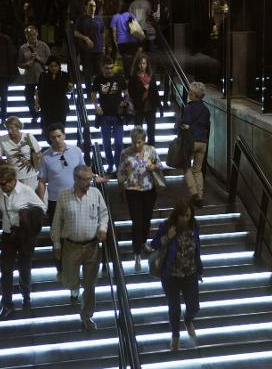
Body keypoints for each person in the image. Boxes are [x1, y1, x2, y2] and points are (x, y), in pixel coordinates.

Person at [51, 165, 108, 332]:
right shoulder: (63, 196)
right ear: (76, 179)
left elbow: (103, 214)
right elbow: (56, 222)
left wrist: (103, 229)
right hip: (71, 246)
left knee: (90, 284)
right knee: (70, 280)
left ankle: (87, 315)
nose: (89, 182)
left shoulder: (96, 194)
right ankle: (74, 289)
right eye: (86, 179)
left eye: (91, 179)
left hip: (92, 246)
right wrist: (56, 244)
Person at [0, 164, 47, 320]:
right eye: (1, 183)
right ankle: (7, 303)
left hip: (24, 235)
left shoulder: (26, 191)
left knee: (24, 268)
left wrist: (25, 214)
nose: (5, 186)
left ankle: (26, 299)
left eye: (8, 182)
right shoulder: (0, 193)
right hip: (8, 234)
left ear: (14, 179)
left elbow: (42, 208)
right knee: (6, 270)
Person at [150, 199, 203, 351]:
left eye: (188, 216)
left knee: (194, 306)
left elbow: (197, 248)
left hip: (190, 273)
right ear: (176, 215)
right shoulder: (167, 226)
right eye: (183, 216)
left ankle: (188, 320)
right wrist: (168, 236)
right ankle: (175, 337)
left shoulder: (194, 226)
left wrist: (199, 269)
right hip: (170, 275)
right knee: (174, 308)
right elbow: (153, 244)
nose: (186, 219)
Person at [117, 127, 162, 272]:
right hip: (132, 191)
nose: (136, 146)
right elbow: (121, 171)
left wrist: (153, 166)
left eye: (139, 142)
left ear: (144, 140)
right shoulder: (125, 153)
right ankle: (137, 252)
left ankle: (143, 242)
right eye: (134, 142)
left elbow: (160, 166)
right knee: (137, 221)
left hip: (149, 189)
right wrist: (122, 182)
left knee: (147, 219)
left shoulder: (151, 151)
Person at [37, 123, 85, 223]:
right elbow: (42, 181)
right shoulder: (45, 157)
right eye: (53, 137)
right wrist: (41, 202)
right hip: (56, 199)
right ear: (50, 138)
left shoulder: (76, 151)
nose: (57, 140)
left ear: (64, 135)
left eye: (59, 136)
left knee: (77, 227)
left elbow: (84, 172)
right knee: (57, 231)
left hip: (76, 196)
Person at [91, 58, 130, 173]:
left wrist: (125, 101)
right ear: (103, 67)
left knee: (118, 142)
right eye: (107, 68)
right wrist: (96, 106)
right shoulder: (98, 79)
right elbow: (93, 94)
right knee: (106, 143)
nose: (109, 70)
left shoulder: (119, 77)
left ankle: (117, 163)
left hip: (118, 115)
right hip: (104, 115)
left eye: (111, 67)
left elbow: (126, 92)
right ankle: (110, 163)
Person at [181, 82, 211, 207]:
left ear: (193, 94)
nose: (188, 93)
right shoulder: (206, 109)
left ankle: (194, 193)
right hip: (203, 142)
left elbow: (186, 125)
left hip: (191, 141)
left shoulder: (189, 108)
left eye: (189, 92)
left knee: (186, 166)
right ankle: (200, 195)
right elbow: (207, 125)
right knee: (198, 170)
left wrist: (179, 126)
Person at [0, 116, 41, 191]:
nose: (9, 131)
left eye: (12, 128)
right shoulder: (3, 140)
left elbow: (38, 153)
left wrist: (35, 164)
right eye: (8, 129)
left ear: (18, 127)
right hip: (13, 176)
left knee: (28, 197)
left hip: (29, 175)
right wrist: (6, 165)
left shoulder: (28, 137)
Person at [18, 25, 51, 124]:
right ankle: (34, 115)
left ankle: (44, 115)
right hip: (29, 78)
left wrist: (40, 58)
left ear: (37, 34)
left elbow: (51, 62)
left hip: (42, 76)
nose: (32, 37)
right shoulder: (23, 48)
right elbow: (19, 64)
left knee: (44, 96)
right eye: (29, 35)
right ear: (26, 36)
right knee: (29, 97)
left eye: (33, 34)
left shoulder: (43, 46)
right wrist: (25, 65)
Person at [128, 53, 162, 146]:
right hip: (138, 107)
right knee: (138, 132)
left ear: (147, 64)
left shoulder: (151, 76)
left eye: (144, 63)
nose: (142, 65)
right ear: (137, 65)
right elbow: (131, 94)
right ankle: (139, 151)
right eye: (140, 63)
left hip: (151, 107)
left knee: (151, 130)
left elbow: (155, 92)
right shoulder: (133, 78)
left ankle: (152, 152)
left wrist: (160, 106)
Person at [74, 0, 106, 90]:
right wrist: (86, 38)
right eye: (90, 6)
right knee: (87, 72)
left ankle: (99, 90)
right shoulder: (81, 19)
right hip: (86, 50)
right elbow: (76, 32)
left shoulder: (99, 19)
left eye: (94, 6)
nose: (93, 8)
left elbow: (103, 32)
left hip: (98, 49)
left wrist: (104, 46)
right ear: (86, 7)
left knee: (99, 71)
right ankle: (89, 92)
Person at [35, 56, 72, 133]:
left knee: (60, 126)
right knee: (47, 126)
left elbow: (69, 91)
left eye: (56, 66)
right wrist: (36, 103)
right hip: (47, 105)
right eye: (51, 66)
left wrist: (70, 87)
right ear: (48, 66)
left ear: (59, 66)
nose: (53, 68)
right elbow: (39, 90)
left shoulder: (64, 75)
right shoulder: (43, 75)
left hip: (60, 105)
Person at [111, 0, 139, 77]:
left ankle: (126, 76)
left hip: (121, 42)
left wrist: (115, 42)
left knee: (124, 59)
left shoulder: (115, 17)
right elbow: (135, 30)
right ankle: (130, 75)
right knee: (131, 60)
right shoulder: (131, 15)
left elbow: (114, 31)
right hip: (132, 41)